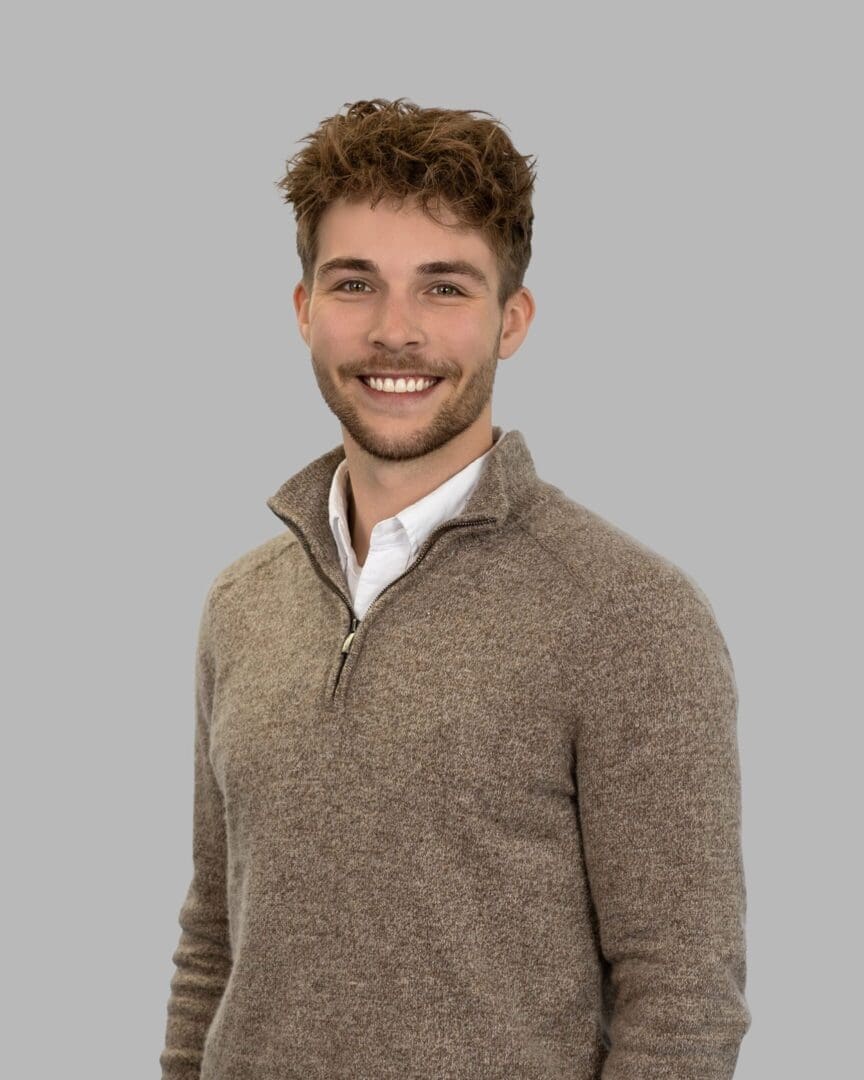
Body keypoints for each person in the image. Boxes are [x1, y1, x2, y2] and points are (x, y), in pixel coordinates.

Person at [160, 98, 751, 1079]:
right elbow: (213, 947)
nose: (396, 332)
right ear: (304, 309)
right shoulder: (240, 604)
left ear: (510, 320)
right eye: (356, 284)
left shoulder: (630, 611)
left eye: (444, 288)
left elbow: (683, 1000)